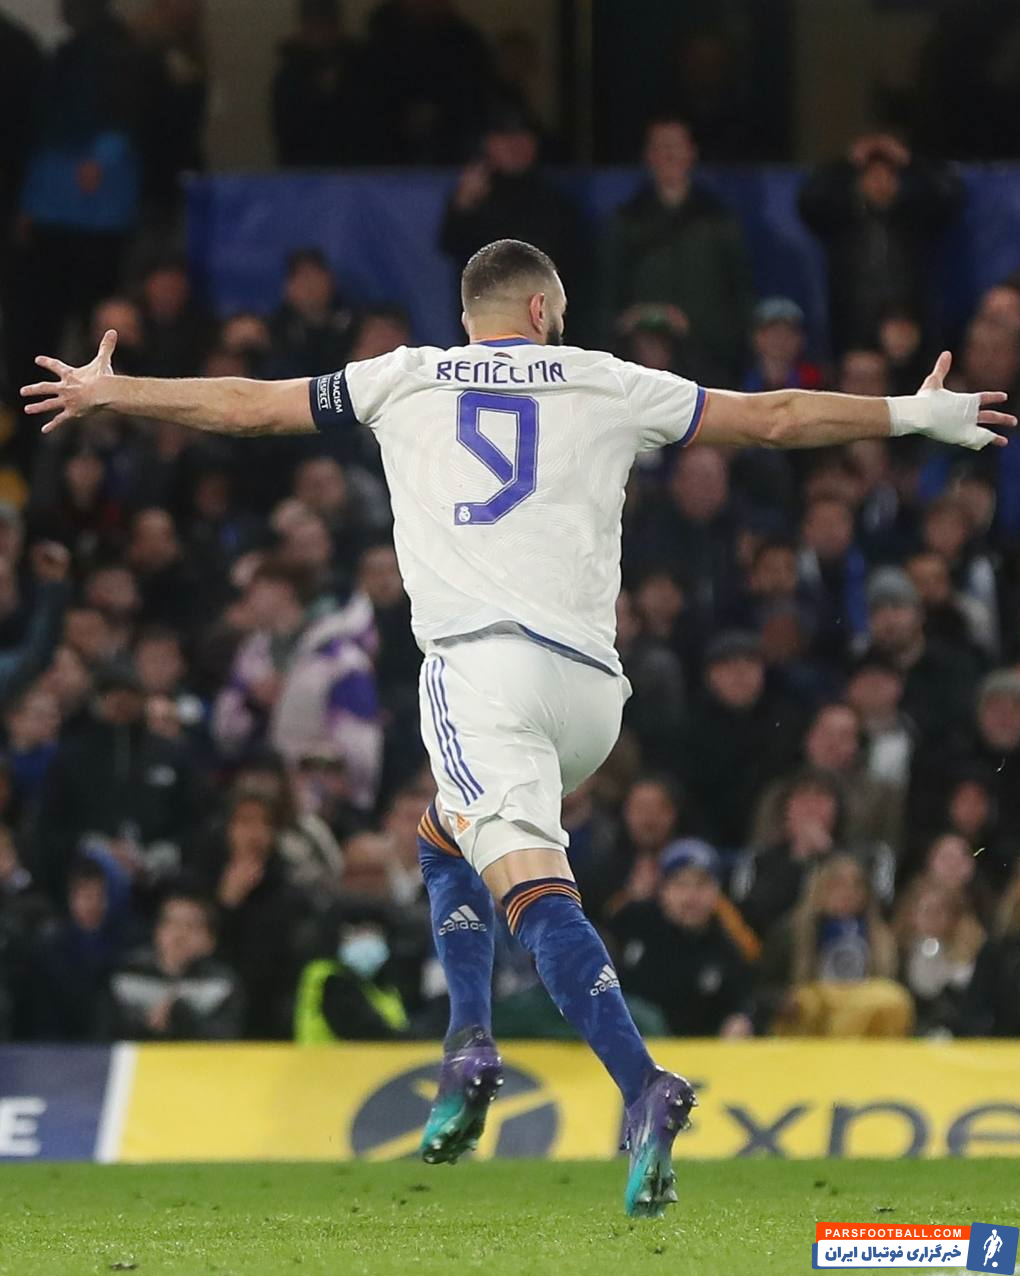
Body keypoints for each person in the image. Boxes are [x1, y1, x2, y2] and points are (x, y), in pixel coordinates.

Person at [20, 237, 1014, 1218]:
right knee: (443, 831)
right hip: (592, 695)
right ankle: (469, 1043)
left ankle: (641, 1083)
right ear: (542, 310)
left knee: (532, 889)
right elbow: (776, 417)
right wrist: (913, 412)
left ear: (470, 318)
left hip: (482, 672)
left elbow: (246, 405)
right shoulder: (609, 379)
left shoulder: (402, 377)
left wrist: (118, 392)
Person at [101, 892, 244, 1040]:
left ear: (210, 941)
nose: (179, 935)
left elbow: (226, 1042)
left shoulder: (222, 984)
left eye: (191, 926)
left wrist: (183, 1020)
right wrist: (147, 1027)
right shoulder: (127, 974)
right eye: (171, 923)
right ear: (157, 932)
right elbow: (102, 1039)